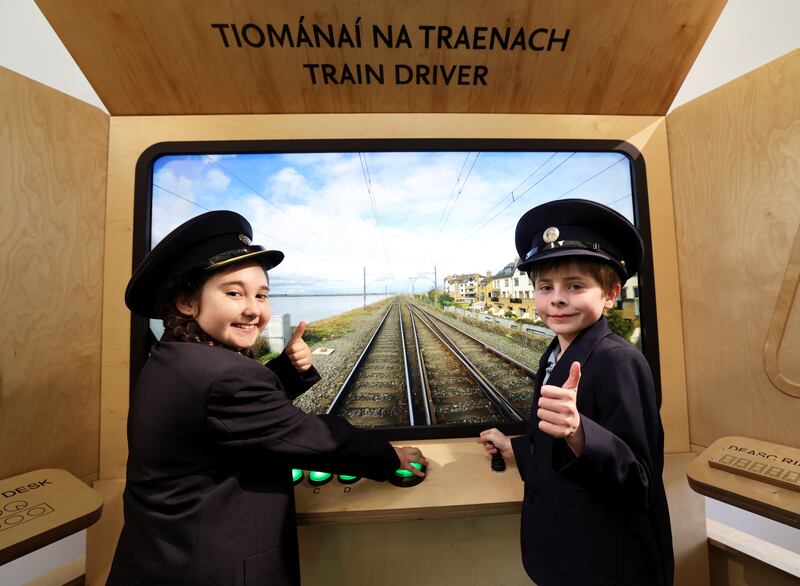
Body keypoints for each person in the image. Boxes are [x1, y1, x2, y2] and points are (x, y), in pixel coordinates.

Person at [108, 210, 427, 586]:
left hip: (162, 558)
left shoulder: (172, 358)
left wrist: (287, 370)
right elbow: (309, 437)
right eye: (233, 293)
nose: (253, 310)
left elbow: (226, 416)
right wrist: (389, 456)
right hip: (210, 569)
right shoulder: (224, 376)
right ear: (186, 302)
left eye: (261, 295)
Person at [479, 199, 674, 586]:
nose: (557, 299)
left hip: (608, 564)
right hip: (567, 553)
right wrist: (513, 447)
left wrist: (579, 432)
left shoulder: (618, 361)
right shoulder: (556, 352)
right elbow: (556, 450)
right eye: (545, 287)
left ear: (611, 293)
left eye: (576, 286)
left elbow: (640, 484)